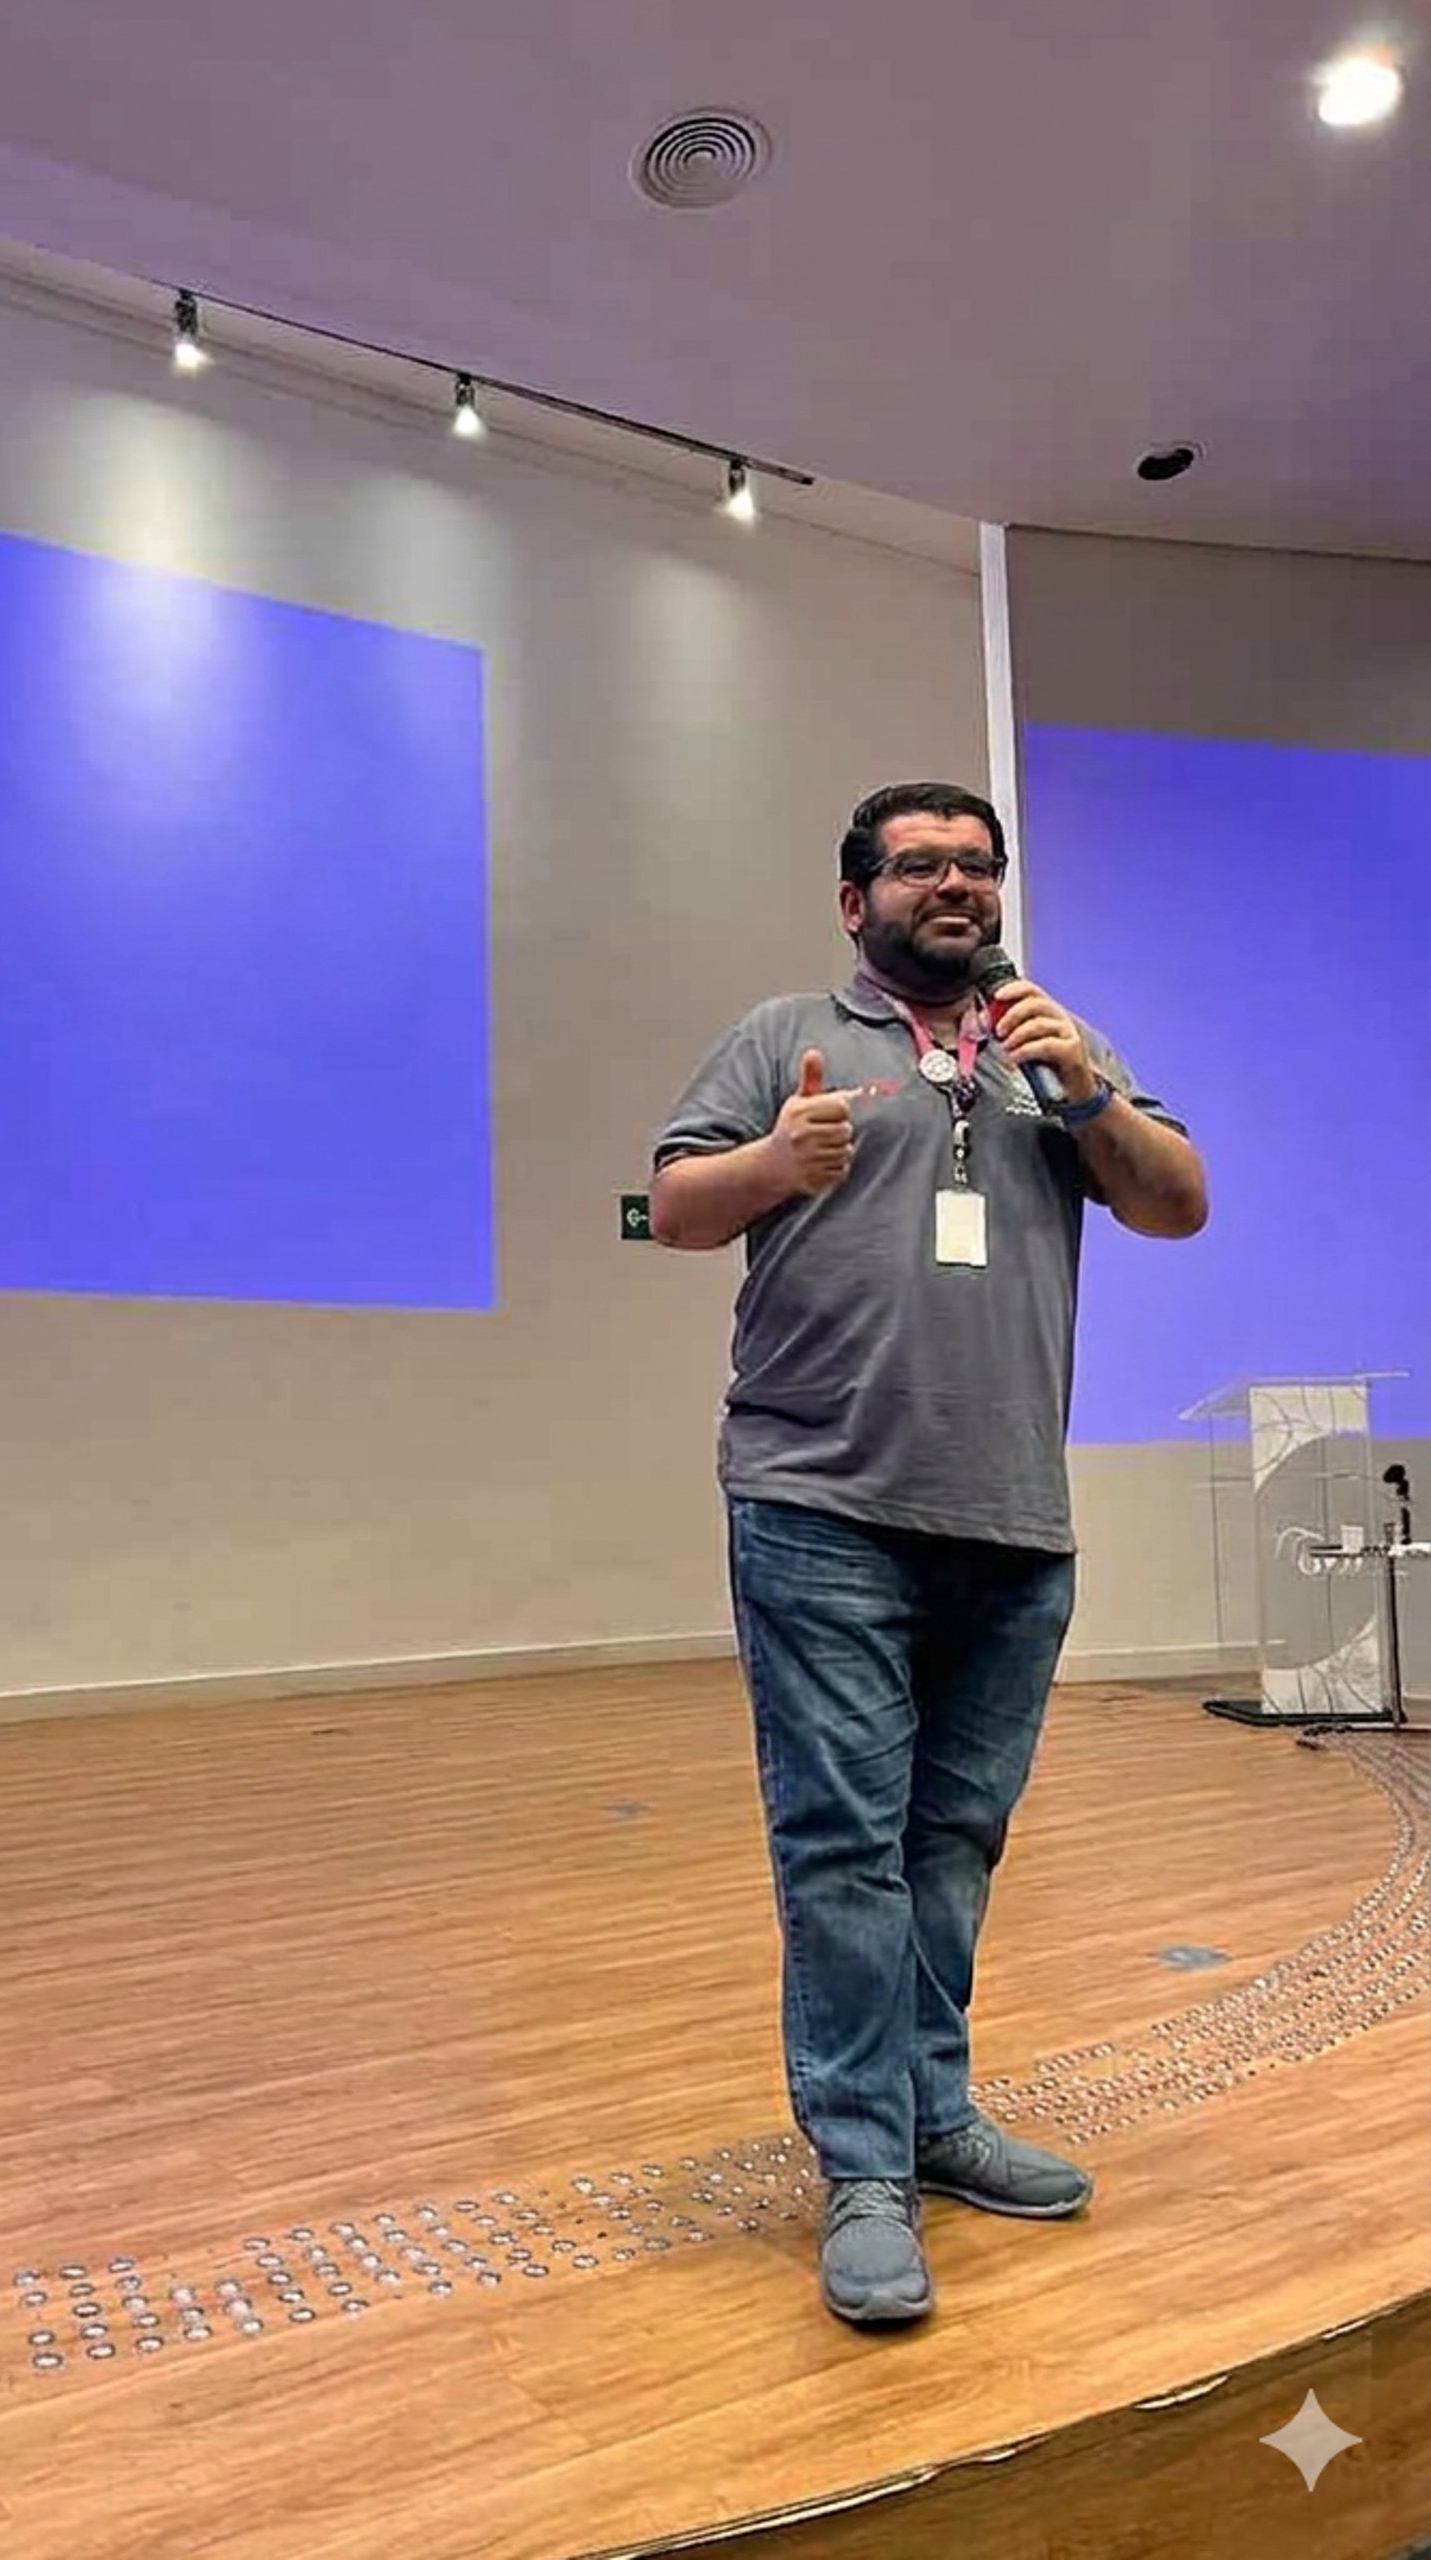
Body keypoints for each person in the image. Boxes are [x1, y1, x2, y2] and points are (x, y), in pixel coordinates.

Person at [649, 781, 1207, 2328]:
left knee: (952, 1846)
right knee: (844, 1853)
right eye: (918, 866)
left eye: (976, 865)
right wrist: (780, 1161)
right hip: (819, 1500)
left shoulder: (1052, 1045)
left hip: (1014, 1521)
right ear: (856, 902)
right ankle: (865, 2171)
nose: (953, 885)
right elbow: (674, 1205)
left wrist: (1089, 1091)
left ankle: (937, 2116)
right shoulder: (782, 1038)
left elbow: (1180, 1206)